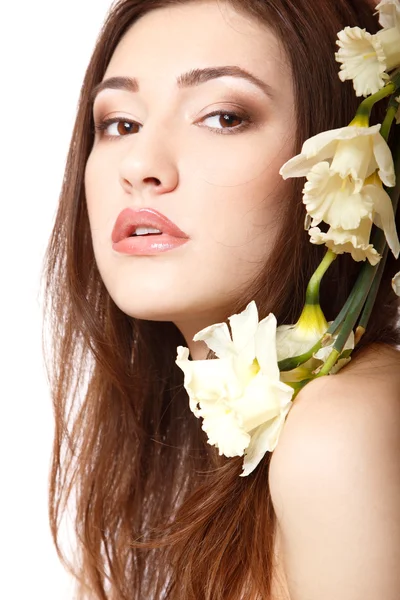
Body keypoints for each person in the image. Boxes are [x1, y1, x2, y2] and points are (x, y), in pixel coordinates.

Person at [41, 0, 400, 598]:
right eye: (119, 123)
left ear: (347, 162)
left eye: (224, 116)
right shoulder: (191, 453)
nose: (140, 165)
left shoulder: (343, 427)